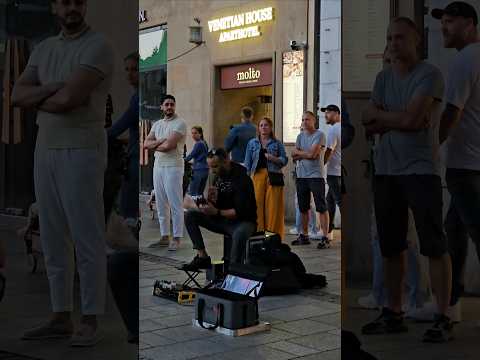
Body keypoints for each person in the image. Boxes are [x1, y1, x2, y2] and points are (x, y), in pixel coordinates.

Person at [11, 0, 114, 346]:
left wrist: (40, 96)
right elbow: (16, 94)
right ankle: (59, 314)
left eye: (77, 2)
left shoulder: (97, 45)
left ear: (83, 7)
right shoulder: (43, 48)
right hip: (46, 148)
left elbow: (70, 99)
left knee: (85, 235)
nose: (71, 8)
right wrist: (54, 90)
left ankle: (89, 317)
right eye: (64, 1)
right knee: (52, 236)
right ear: (54, 7)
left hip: (82, 148)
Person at [361, 17, 453, 343]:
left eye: (400, 37)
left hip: (420, 170)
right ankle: (393, 311)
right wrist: (396, 119)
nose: (393, 43)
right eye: (389, 38)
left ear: (416, 40)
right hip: (386, 170)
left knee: (433, 243)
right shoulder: (383, 78)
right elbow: (366, 121)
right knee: (391, 246)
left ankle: (443, 315)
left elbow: (414, 121)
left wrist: (387, 118)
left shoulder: (430, 75)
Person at [433, 1, 480, 323]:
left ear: (469, 23)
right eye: (442, 22)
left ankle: (450, 302)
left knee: (472, 231)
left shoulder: (466, 59)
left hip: (466, 164)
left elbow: (453, 111)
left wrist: (433, 146)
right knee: (454, 230)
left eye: (450, 22)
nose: (443, 28)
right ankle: (451, 301)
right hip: (472, 161)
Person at [183, 148, 257, 270]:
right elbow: (217, 206)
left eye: (215, 166)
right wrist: (210, 202)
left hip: (242, 222)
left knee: (239, 233)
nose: (213, 170)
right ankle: (202, 257)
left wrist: (216, 211)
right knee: (190, 215)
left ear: (226, 161)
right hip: (222, 219)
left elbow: (241, 212)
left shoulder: (242, 180)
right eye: (210, 167)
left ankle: (234, 270)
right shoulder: (218, 176)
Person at [143, 94, 186, 251]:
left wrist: (155, 144)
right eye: (166, 104)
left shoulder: (180, 123)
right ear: (161, 107)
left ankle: (176, 238)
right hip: (158, 166)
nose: (169, 107)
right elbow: (145, 143)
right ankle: (164, 236)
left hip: (173, 166)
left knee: (175, 203)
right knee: (160, 203)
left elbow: (169, 146)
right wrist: (160, 141)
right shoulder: (157, 124)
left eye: (172, 104)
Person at [107, 52, 140, 228]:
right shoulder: (140, 96)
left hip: (135, 160)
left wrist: (99, 136)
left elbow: (121, 125)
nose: (129, 74)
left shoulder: (138, 98)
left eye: (134, 69)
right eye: (127, 69)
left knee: (128, 210)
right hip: (135, 154)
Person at [244, 117, 288, 239]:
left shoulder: (277, 143)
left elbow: (285, 160)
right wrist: (246, 180)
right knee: (256, 205)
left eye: (266, 125)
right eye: (261, 125)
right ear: (258, 128)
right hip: (257, 176)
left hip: (273, 176)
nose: (264, 127)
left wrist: (273, 158)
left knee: (273, 207)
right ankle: (259, 232)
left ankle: (272, 235)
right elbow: (247, 163)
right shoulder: (252, 143)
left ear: (271, 127)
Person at [292, 111, 330, 248]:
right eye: (303, 119)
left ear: (314, 121)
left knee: (321, 206)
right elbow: (293, 155)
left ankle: (325, 237)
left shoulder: (320, 135)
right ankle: (304, 235)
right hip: (301, 175)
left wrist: (301, 153)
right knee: (303, 207)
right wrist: (304, 153)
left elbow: (313, 155)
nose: (304, 122)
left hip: (315, 175)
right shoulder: (299, 136)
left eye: (307, 119)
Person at [322, 104, 342, 243]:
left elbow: (329, 150)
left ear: (336, 113)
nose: (326, 115)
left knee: (340, 201)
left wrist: (321, 165)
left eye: (328, 112)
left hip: (334, 172)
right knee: (330, 200)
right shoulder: (341, 128)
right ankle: (328, 232)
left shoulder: (334, 130)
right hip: (338, 171)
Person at [185, 126, 209, 197]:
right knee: (199, 194)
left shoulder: (198, 143)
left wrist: (181, 161)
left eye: (195, 133)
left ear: (200, 134)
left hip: (198, 170)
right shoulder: (204, 142)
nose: (193, 135)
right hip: (205, 169)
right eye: (192, 133)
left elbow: (190, 156)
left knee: (192, 193)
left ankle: (193, 208)